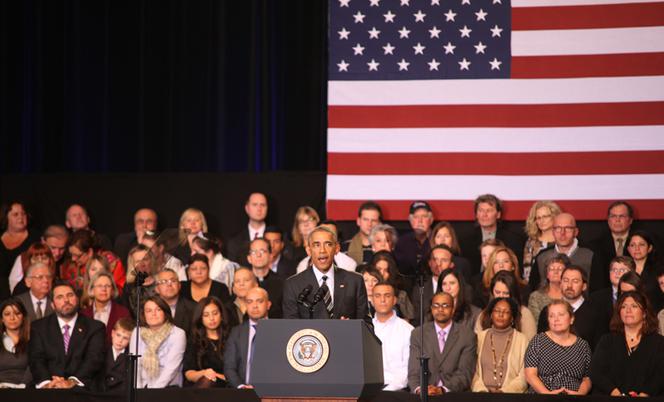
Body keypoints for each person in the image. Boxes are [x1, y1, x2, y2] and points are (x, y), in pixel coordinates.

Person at [28, 281, 106, 389]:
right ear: (52, 304)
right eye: (60, 297)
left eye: (70, 295)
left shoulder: (95, 327)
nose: (66, 300)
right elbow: (36, 359)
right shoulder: (39, 327)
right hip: (49, 388)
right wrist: (47, 383)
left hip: (82, 389)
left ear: (77, 299)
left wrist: (72, 381)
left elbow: (93, 359)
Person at [283, 226, 369, 320]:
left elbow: (366, 325)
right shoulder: (293, 285)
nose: (322, 250)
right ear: (308, 250)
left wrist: (349, 327)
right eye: (316, 245)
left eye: (328, 244)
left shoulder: (355, 281)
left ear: (337, 248)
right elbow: (290, 329)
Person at [591, 291, 664, 396]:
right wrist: (616, 394)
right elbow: (596, 371)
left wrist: (644, 395)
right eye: (624, 307)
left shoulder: (659, 343)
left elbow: (660, 374)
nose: (628, 310)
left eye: (634, 306)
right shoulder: (607, 340)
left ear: (644, 313)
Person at [407, 292, 477, 394]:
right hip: (423, 394)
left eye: (445, 305)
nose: (440, 309)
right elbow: (414, 371)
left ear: (453, 310)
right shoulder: (418, 334)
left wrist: (442, 389)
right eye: (436, 306)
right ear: (431, 309)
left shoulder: (467, 336)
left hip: (454, 394)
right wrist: (420, 390)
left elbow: (464, 374)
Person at [524, 299, 592, 395]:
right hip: (542, 397)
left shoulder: (582, 345)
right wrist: (547, 394)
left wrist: (579, 394)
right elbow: (530, 375)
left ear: (571, 319)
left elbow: (588, 378)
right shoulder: (538, 341)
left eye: (561, 315)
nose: (556, 319)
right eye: (551, 316)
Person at [531, 212, 602, 292]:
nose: (562, 233)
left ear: (575, 232)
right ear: (553, 232)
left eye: (568, 228)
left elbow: (599, 291)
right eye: (558, 228)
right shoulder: (542, 257)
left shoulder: (590, 255)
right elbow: (533, 290)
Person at [459, 194, 525, 277]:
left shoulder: (513, 240)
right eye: (481, 210)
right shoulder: (465, 241)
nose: (484, 214)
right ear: (476, 215)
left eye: (489, 210)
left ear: (498, 215)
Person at [471, 297, 528, 393]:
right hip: (481, 396)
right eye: (497, 311)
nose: (501, 314)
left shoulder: (522, 340)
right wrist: (481, 391)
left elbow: (524, 375)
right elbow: (473, 373)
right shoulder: (479, 338)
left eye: (506, 312)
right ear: (491, 315)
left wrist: (504, 392)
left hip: (511, 396)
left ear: (512, 318)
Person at [129, 295, 186, 388]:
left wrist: (153, 392)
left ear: (165, 312)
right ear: (144, 314)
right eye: (149, 311)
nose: (153, 314)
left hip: (169, 388)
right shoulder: (137, 332)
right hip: (142, 387)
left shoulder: (178, 334)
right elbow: (135, 365)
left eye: (158, 310)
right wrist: (138, 390)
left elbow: (171, 368)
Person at [537, 266, 600, 349]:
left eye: (575, 281)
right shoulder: (548, 311)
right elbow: (540, 344)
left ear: (584, 286)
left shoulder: (595, 313)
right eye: (566, 280)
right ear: (560, 284)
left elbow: (598, 348)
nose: (569, 285)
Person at [224, 287, 271, 388]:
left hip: (271, 392)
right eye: (249, 302)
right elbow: (229, 367)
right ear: (246, 305)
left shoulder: (278, 330)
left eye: (259, 301)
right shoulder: (236, 332)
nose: (254, 306)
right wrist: (241, 386)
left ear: (268, 305)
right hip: (242, 393)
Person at [372, 282, 413, 391]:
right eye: (377, 296)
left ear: (395, 300)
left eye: (387, 295)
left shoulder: (408, 330)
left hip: (396, 391)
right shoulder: (365, 328)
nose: (382, 300)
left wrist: (387, 391)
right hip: (367, 390)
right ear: (372, 301)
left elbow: (408, 370)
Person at [60, 229, 126, 296]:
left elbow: (119, 289)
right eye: (71, 254)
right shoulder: (70, 266)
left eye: (78, 256)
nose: (73, 259)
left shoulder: (110, 261)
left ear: (90, 252)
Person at [475, 271, 537, 340]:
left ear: (513, 294)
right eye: (497, 292)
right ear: (492, 292)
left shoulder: (524, 314)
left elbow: (530, 344)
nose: (501, 296)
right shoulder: (484, 315)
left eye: (506, 293)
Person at [184, 296, 229, 388]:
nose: (211, 318)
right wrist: (204, 373)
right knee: (207, 380)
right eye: (206, 315)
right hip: (201, 384)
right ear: (200, 318)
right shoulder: (194, 340)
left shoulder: (232, 337)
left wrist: (216, 375)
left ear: (221, 315)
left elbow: (239, 372)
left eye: (215, 313)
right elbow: (188, 374)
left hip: (226, 386)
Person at [9, 225, 68, 295]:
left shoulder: (68, 260)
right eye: (53, 247)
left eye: (62, 249)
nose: (57, 253)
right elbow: (14, 287)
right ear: (43, 241)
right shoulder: (23, 258)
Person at [0, 201, 39, 301]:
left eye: (23, 213)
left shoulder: (35, 237)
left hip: (25, 290)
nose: (21, 217)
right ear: (6, 217)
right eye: (15, 214)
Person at [411, 245, 458, 326]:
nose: (438, 264)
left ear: (451, 265)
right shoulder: (419, 289)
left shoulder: (459, 288)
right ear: (429, 263)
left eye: (444, 260)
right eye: (435, 259)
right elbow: (416, 320)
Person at [590, 256, 635, 338]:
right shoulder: (596, 298)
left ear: (632, 273)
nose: (617, 273)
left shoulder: (638, 295)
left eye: (622, 270)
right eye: (614, 270)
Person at [80, 271, 130, 345]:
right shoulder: (83, 315)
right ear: (92, 290)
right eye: (99, 286)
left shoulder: (123, 313)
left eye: (107, 286)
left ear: (112, 290)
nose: (104, 289)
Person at [590, 201, 634, 275]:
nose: (617, 220)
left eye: (622, 216)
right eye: (613, 216)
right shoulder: (595, 245)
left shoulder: (639, 243)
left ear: (630, 220)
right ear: (608, 220)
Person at [522, 201, 561, 283]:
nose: (542, 221)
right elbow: (527, 271)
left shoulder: (562, 240)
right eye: (538, 218)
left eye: (545, 216)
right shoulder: (531, 242)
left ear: (554, 216)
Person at [371, 251, 414, 321]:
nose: (382, 273)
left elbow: (408, 320)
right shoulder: (362, 293)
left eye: (386, 270)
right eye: (378, 269)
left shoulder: (401, 295)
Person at [226, 192, 269, 263]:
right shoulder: (234, 241)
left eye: (263, 205)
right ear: (247, 208)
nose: (259, 209)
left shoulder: (278, 238)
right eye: (255, 205)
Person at [394, 201, 434, 277]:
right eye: (416, 217)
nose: (420, 221)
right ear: (410, 220)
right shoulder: (402, 242)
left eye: (424, 216)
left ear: (431, 219)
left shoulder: (438, 239)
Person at [246, 238, 283, 318]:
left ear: (271, 256)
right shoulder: (243, 283)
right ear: (249, 258)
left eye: (262, 251)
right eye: (254, 252)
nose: (258, 255)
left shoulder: (281, 283)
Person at [527, 254, 569, 323]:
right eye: (552, 269)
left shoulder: (571, 296)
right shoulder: (536, 297)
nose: (556, 272)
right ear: (547, 274)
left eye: (560, 269)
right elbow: (536, 323)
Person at [0, 298, 31, 387]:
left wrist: (22, 386)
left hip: (26, 389)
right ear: (2, 319)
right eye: (7, 314)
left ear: (23, 317)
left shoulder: (34, 339)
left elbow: (35, 366)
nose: (12, 318)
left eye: (17, 313)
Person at [154, 269, 196, 333]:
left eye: (173, 281)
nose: (169, 284)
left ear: (179, 285)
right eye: (164, 281)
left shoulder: (193, 308)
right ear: (156, 289)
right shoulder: (149, 309)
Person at [626, 230, 661, 301]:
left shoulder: (659, 270)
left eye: (641, 244)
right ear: (628, 249)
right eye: (633, 245)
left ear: (649, 248)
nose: (637, 248)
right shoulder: (623, 269)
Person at [104, 317, 135, 391]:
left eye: (125, 338)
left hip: (121, 395)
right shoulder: (102, 352)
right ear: (112, 333)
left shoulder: (131, 357)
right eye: (118, 335)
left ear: (131, 340)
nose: (120, 340)